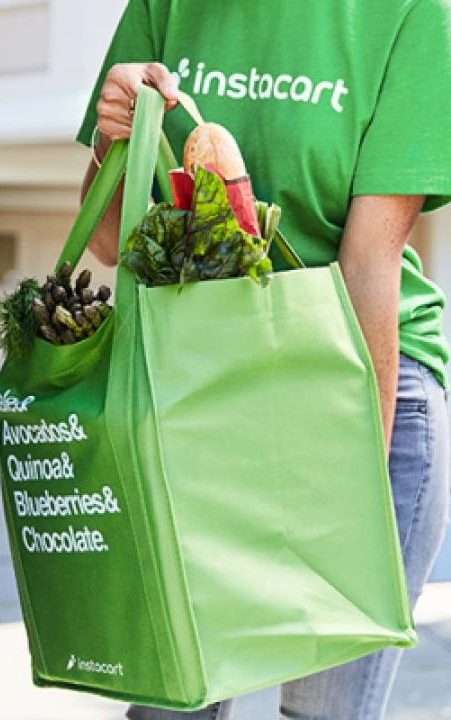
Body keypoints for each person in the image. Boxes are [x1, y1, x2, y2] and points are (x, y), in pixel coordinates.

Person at [78, 2, 451, 719]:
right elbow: (105, 241)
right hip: (200, 377)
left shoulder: (405, 12)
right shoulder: (167, 6)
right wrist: (112, 137)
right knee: (172, 700)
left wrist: (351, 498)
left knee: (324, 709)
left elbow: (368, 264)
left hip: (363, 375)